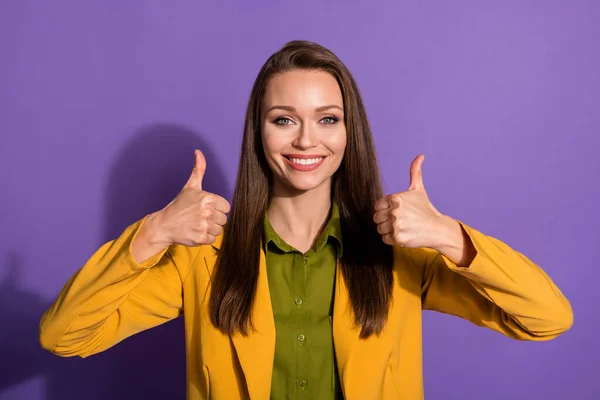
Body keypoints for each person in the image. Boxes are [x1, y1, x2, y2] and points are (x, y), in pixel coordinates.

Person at [39, 40, 573, 400]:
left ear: (348, 132)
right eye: (284, 120)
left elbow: (547, 318)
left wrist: (449, 237)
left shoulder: (398, 256)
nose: (306, 140)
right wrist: (152, 232)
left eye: (327, 119)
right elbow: (64, 336)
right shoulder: (202, 258)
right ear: (259, 133)